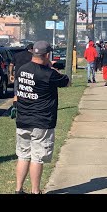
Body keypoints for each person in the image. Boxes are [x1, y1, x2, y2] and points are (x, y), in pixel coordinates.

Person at [15, 41, 69, 194]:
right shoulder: (48, 74)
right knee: (37, 158)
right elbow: (66, 81)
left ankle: (18, 189)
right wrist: (51, 68)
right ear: (46, 55)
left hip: (23, 119)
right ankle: (35, 191)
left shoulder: (22, 69)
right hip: (41, 121)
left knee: (23, 155)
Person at [9, 43, 34, 119]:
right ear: (32, 49)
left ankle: (14, 107)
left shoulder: (17, 55)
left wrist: (11, 74)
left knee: (16, 93)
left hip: (18, 77)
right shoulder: (33, 56)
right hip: (29, 77)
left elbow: (11, 65)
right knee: (29, 93)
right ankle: (27, 110)